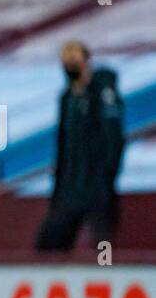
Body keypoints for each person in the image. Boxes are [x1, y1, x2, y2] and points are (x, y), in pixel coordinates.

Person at [35, 40, 126, 252]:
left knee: (103, 249)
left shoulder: (103, 94)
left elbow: (113, 139)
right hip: (69, 190)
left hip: (98, 189)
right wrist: (59, 188)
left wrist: (105, 178)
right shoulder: (67, 98)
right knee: (48, 246)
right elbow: (63, 145)